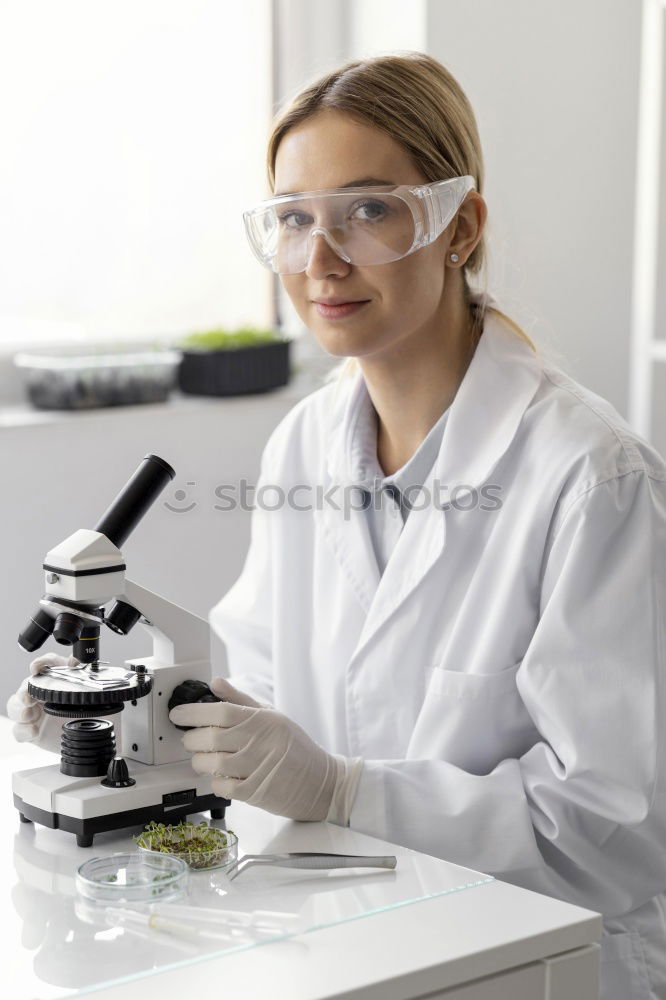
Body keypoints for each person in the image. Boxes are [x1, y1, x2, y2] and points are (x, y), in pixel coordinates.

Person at [9, 52, 666, 1000]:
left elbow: (620, 828)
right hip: (360, 941)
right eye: (292, 220)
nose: (320, 261)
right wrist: (124, 704)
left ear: (458, 228)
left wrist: (347, 792)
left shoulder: (590, 478)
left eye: (367, 211)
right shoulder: (309, 441)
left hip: (546, 963)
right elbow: (261, 682)